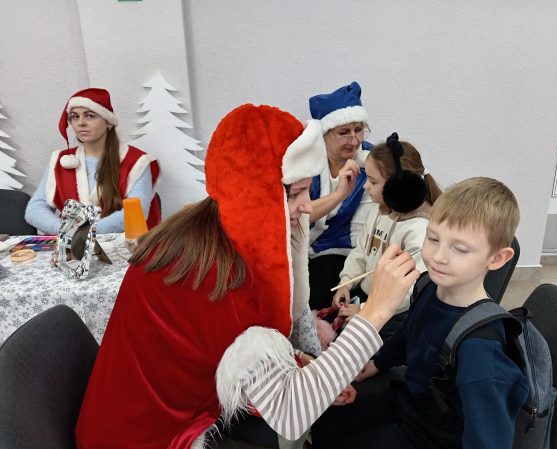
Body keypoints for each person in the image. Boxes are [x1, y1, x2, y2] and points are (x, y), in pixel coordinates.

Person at [75, 103, 420, 449]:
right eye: (296, 193)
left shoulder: (206, 231)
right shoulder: (220, 281)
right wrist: (375, 313)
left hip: (138, 419)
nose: (306, 205)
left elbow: (225, 346)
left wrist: (305, 365)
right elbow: (290, 411)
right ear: (256, 197)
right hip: (146, 438)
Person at [311, 177, 529, 449]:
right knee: (325, 421)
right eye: (433, 238)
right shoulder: (428, 286)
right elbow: (409, 332)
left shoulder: (481, 348)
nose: (438, 256)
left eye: (460, 249)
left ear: (496, 259)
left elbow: (488, 441)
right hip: (411, 403)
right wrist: (377, 364)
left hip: (436, 437)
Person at [333, 132, 442, 337]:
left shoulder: (421, 231)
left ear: (399, 186)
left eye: (373, 181)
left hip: (394, 314)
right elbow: (362, 250)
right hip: (370, 300)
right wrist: (346, 282)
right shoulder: (379, 209)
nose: (365, 186)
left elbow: (409, 292)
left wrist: (366, 310)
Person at [25, 88, 160, 235]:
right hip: (72, 244)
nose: (81, 123)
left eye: (89, 116)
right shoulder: (60, 160)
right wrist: (67, 230)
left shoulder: (136, 162)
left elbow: (136, 212)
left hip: (121, 245)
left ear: (108, 122)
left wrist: (87, 232)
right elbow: (34, 209)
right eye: (75, 117)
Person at [308, 81, 375, 309]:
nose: (354, 140)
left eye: (359, 130)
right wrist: (339, 195)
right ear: (324, 133)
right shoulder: (306, 164)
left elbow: (365, 233)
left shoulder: (371, 162)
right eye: (344, 132)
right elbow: (294, 217)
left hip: (348, 254)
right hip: (301, 251)